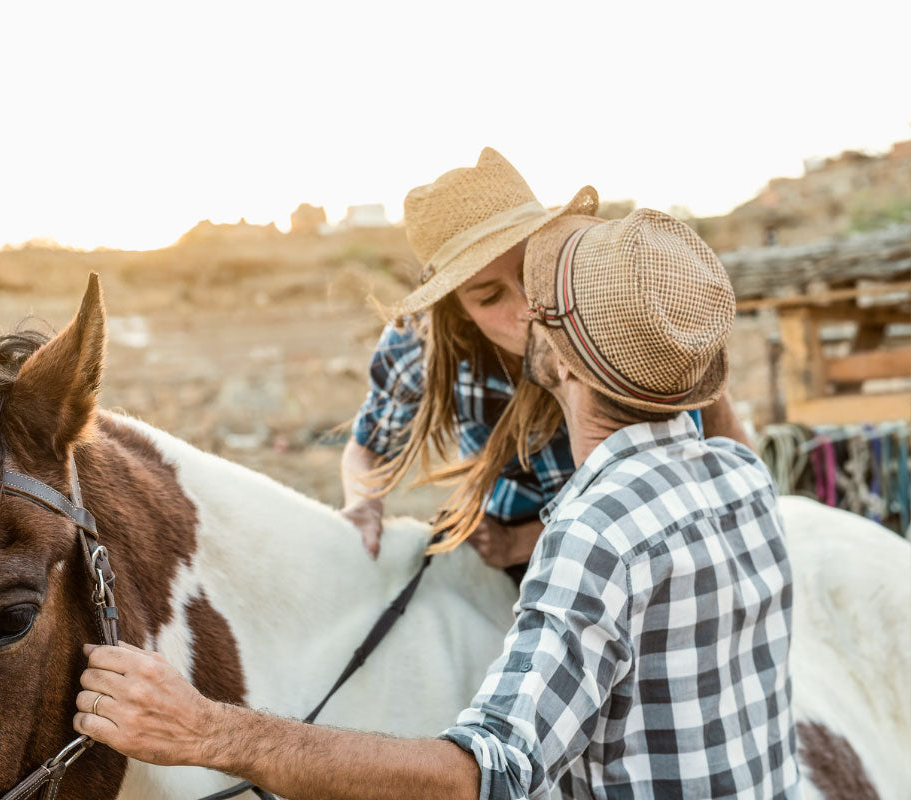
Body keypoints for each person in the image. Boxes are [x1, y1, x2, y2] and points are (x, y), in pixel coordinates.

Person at [71, 208, 799, 798]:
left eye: (540, 297)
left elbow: (478, 776)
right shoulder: (740, 473)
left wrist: (205, 731)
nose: (522, 314)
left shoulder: (593, 530)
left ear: (566, 357)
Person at [340, 148, 750, 577]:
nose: (527, 306)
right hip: (516, 551)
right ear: (457, 310)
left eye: (531, 270)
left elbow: (693, 485)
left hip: (654, 542)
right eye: (490, 296)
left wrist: (517, 543)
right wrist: (363, 504)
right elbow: (365, 448)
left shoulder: (612, 309)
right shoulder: (417, 347)